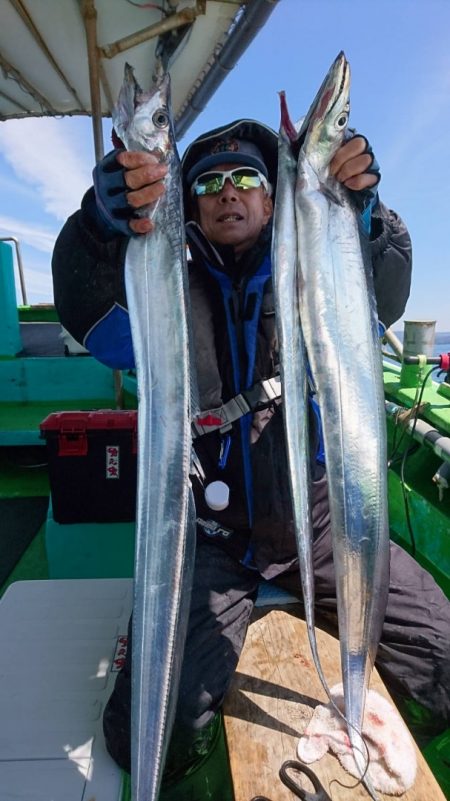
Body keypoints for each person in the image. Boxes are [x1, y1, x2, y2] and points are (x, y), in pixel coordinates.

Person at [52, 118, 450, 790]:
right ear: (191, 205)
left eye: (246, 178)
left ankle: (386, 724)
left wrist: (364, 214)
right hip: (214, 535)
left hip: (319, 523)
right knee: (156, 727)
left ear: (271, 199)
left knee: (442, 655)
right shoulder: (162, 288)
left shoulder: (316, 270)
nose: (227, 192)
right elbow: (91, 316)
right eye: (209, 183)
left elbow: (378, 294)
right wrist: (97, 227)